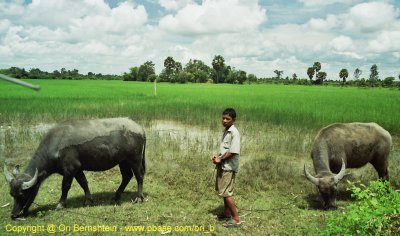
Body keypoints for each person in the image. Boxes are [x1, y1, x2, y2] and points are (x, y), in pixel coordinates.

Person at [211, 108, 241, 227]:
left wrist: (220, 159)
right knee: (223, 191)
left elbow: (233, 151)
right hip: (223, 165)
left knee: (226, 193)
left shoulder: (234, 133)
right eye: (223, 118)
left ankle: (236, 219)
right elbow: (226, 149)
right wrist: (217, 156)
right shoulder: (226, 130)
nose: (224, 120)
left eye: (227, 119)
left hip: (229, 166)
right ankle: (227, 212)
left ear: (233, 120)